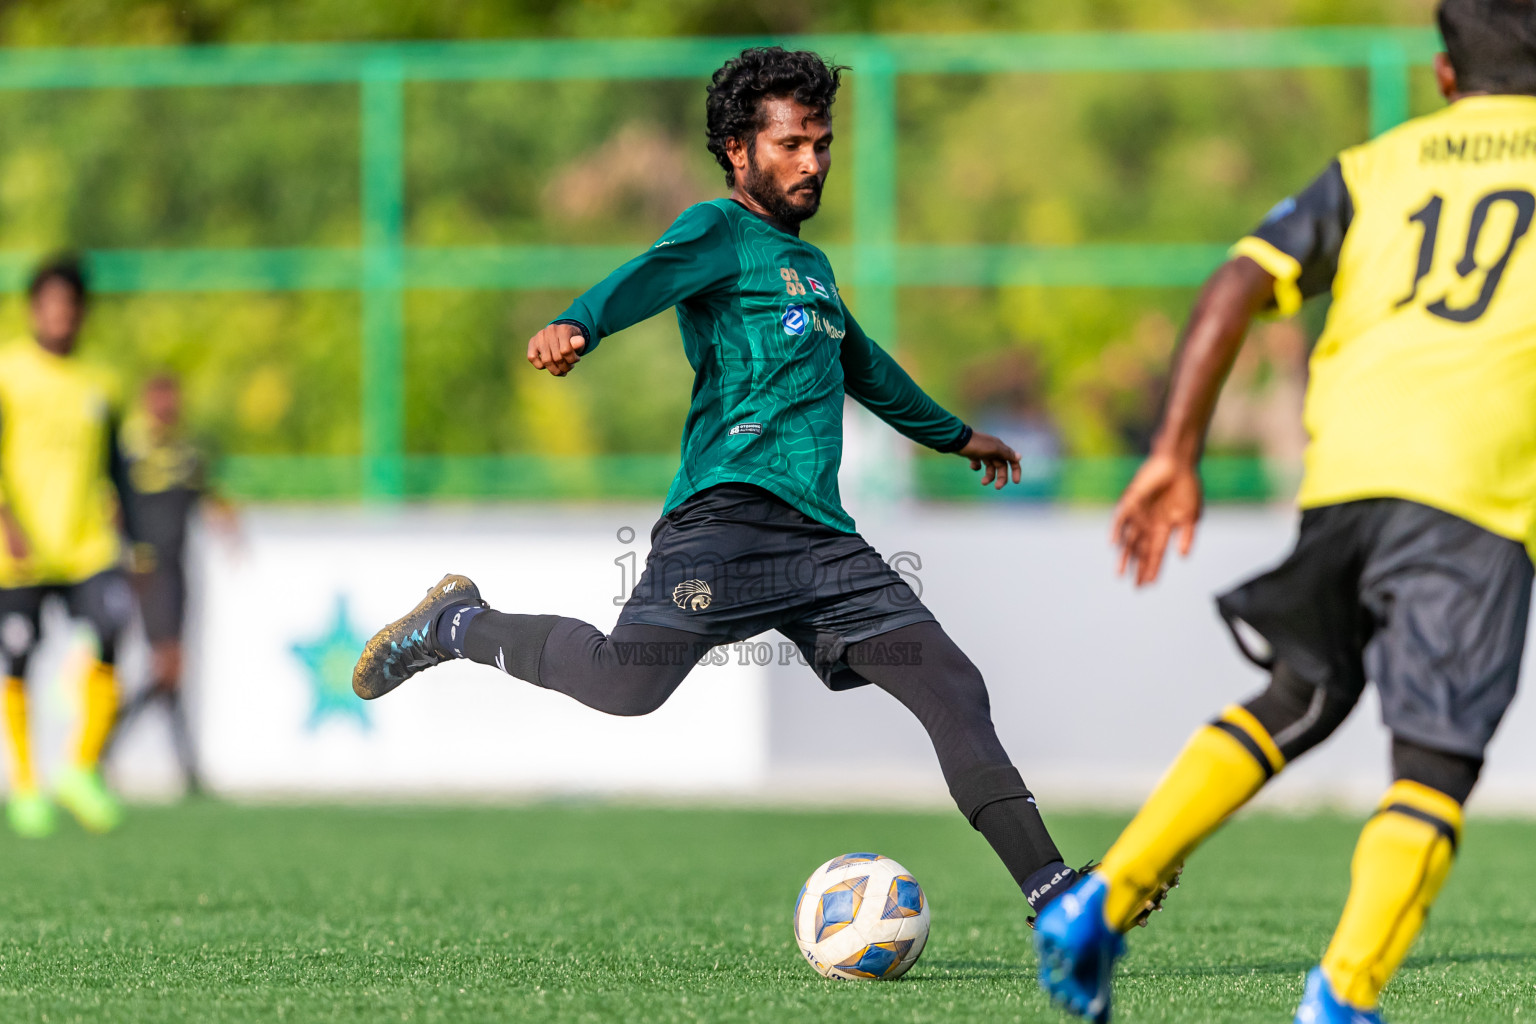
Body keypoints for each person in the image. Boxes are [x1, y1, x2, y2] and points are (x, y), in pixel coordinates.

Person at [354, 47, 1165, 933]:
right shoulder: (719, 231)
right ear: (739, 151)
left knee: (949, 681)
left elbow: (866, 367)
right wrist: (579, 322)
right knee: (628, 687)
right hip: (727, 522)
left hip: (823, 546)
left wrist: (956, 435)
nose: (812, 161)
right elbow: (645, 276)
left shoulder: (810, 269)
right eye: (791, 144)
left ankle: (1056, 894)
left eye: (821, 143)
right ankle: (455, 622)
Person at [1035, 3, 1536, 1022]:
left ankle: (1103, 895)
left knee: (1303, 690)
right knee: (1434, 762)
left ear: (1444, 76)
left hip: (1348, 468)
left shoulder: (1375, 166)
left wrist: (1174, 451)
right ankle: (1340, 1000)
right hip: (1473, 488)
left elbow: (1234, 283)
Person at [0, 255, 137, 836]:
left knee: (111, 633)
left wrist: (133, 533)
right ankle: (27, 786)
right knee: (18, 659)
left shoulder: (100, 381)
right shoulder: (8, 372)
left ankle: (80, 768)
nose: (60, 314)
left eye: (69, 304)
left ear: (80, 313)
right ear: (34, 308)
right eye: (49, 303)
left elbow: (116, 464)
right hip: (22, 549)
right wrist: (6, 520)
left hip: (86, 545)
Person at [108, 373, 224, 795]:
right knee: (169, 664)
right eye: (158, 399)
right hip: (147, 569)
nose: (165, 407)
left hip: (178, 570)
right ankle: (102, 744)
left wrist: (227, 519)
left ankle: (186, 770)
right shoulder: (131, 453)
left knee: (170, 673)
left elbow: (207, 496)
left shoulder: (187, 454)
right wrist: (126, 555)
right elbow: (112, 505)